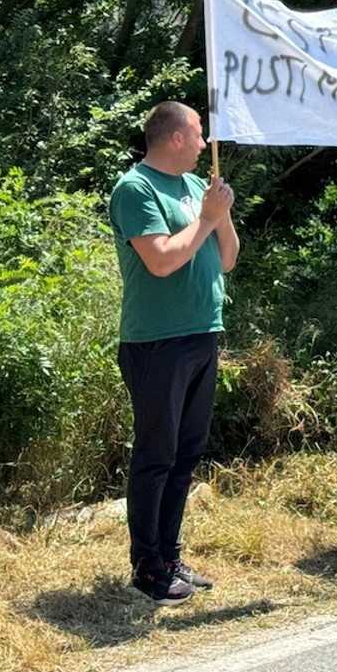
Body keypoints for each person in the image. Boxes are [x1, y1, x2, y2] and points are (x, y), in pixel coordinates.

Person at [110, 101, 240, 606]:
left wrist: (220, 216)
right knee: (156, 455)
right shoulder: (135, 188)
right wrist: (207, 218)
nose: (206, 144)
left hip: (202, 333)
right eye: (200, 133)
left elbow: (227, 259)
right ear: (176, 137)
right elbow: (161, 261)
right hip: (156, 341)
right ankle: (146, 567)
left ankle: (169, 555)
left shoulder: (194, 186)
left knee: (185, 455)